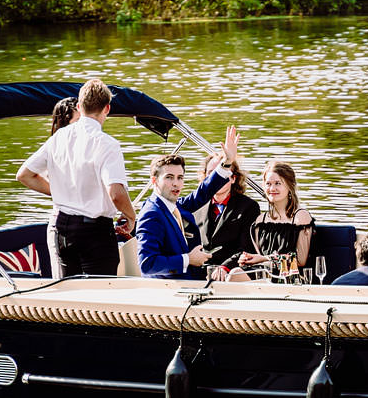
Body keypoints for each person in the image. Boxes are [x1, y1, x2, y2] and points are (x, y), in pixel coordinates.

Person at [17, 79, 139, 278]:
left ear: (80, 107)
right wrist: (131, 216)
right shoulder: (108, 144)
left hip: (62, 227)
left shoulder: (58, 137)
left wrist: (58, 191)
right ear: (107, 108)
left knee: (67, 292)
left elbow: (24, 175)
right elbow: (116, 194)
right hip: (95, 231)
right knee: (101, 291)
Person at [135, 124, 242, 280]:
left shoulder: (174, 205)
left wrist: (226, 162)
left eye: (180, 178)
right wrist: (188, 259)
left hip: (192, 284)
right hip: (169, 292)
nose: (176, 184)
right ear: (154, 181)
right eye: (169, 177)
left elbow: (203, 192)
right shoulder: (151, 214)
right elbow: (147, 264)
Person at [196, 153, 260, 274]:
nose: (216, 179)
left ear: (233, 178)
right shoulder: (196, 207)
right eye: (211, 173)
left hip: (232, 273)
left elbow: (247, 249)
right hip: (197, 271)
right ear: (204, 177)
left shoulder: (249, 207)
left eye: (222, 173)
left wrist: (225, 267)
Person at [246, 160, 314, 270]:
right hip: (264, 275)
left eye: (278, 183)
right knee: (234, 273)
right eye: (268, 184)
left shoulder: (300, 217)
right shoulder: (260, 220)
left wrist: (265, 259)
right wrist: (248, 259)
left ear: (290, 185)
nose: (272, 189)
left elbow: (301, 261)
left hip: (291, 278)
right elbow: (259, 261)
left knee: (235, 275)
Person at [40, 95, 80, 272]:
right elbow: (26, 175)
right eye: (77, 121)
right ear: (64, 124)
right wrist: (59, 192)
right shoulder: (54, 148)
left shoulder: (93, 147)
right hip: (62, 224)